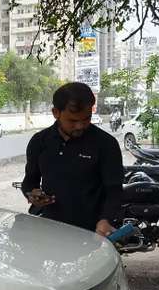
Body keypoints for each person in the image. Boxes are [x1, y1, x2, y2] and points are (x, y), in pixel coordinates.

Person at [20, 82, 123, 237]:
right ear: (56, 112)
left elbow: (114, 191)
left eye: (87, 118)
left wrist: (106, 219)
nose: (80, 126)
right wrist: (32, 194)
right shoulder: (40, 142)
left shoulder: (106, 144)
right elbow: (29, 181)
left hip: (93, 233)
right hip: (50, 229)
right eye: (73, 121)